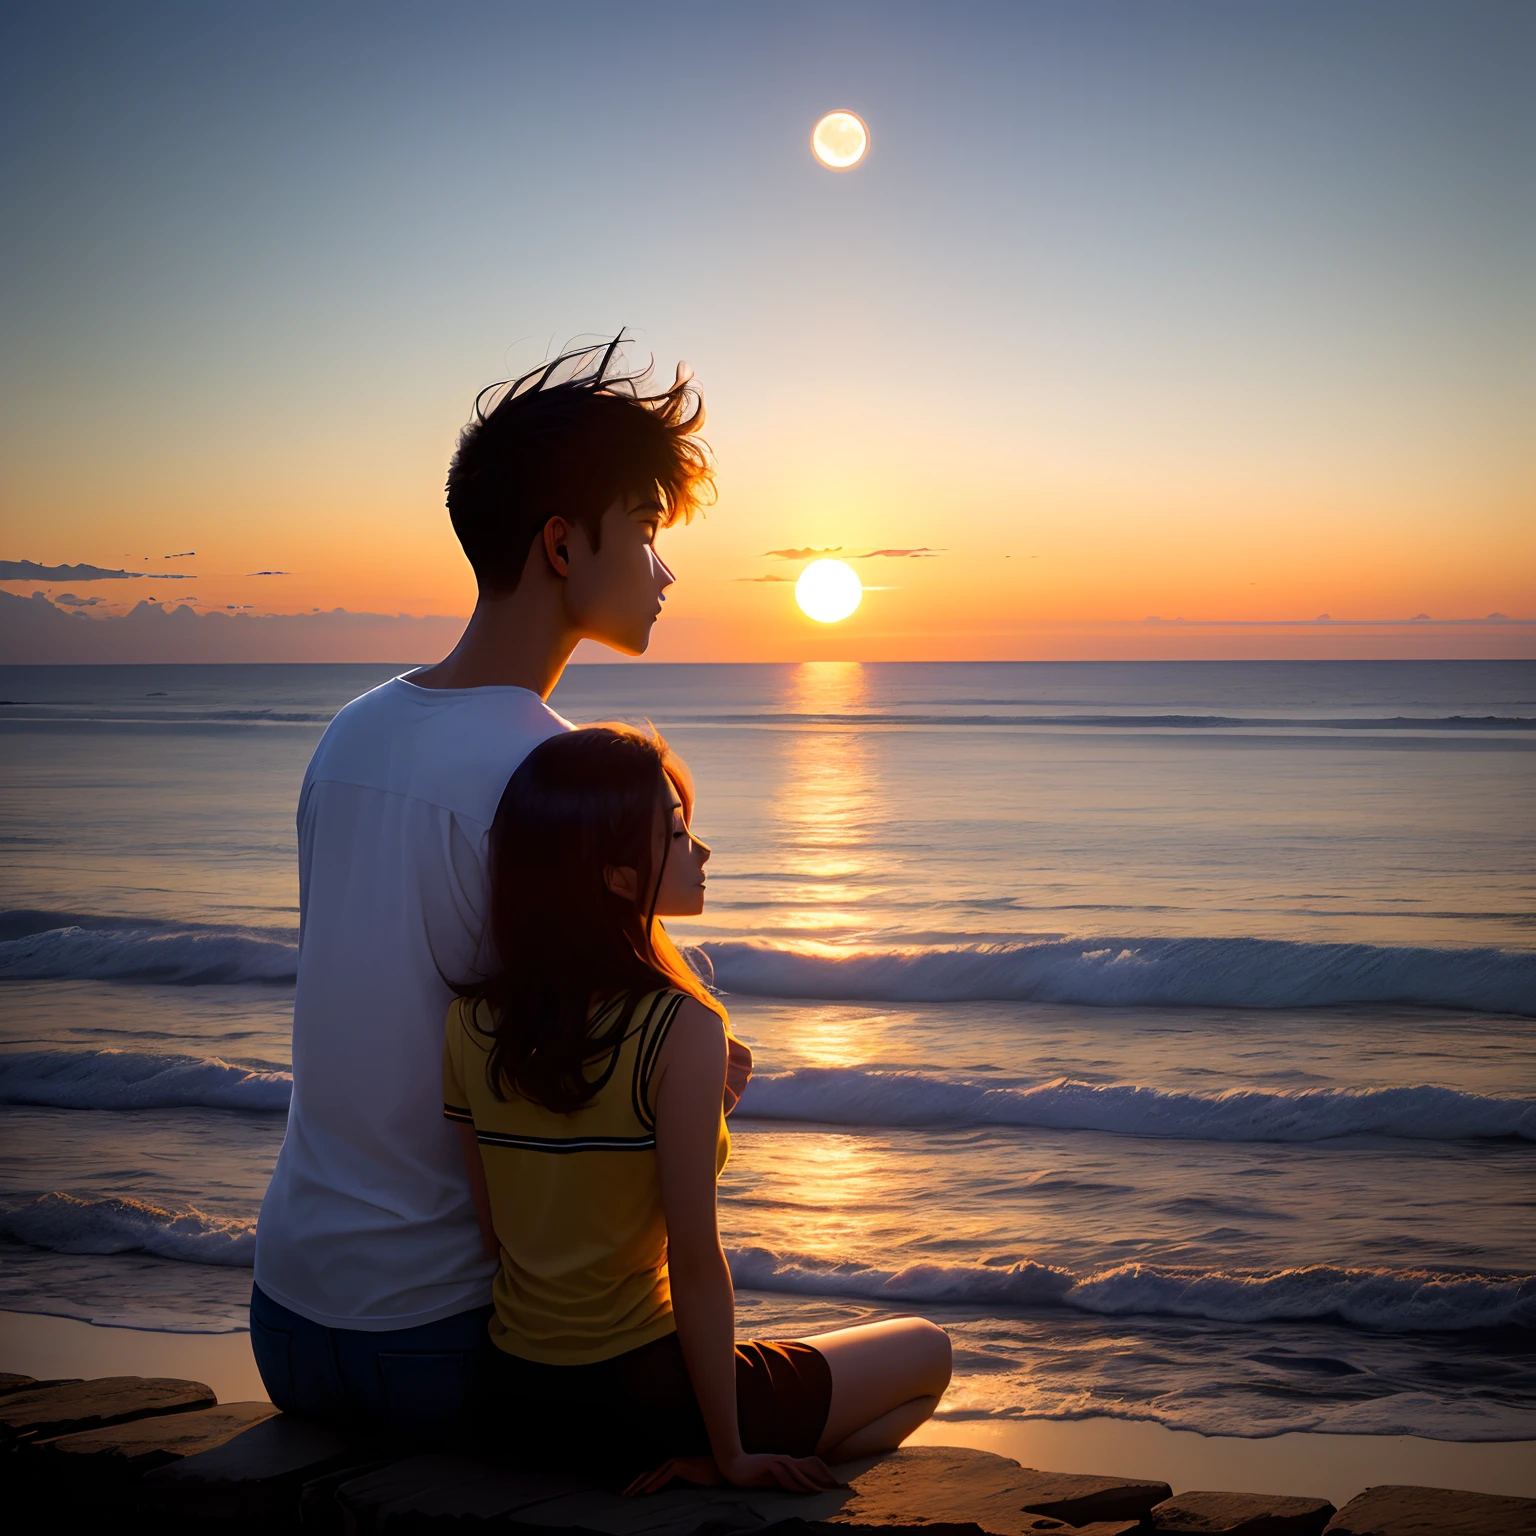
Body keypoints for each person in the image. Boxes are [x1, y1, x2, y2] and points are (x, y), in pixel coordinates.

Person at [251, 336, 735, 1440]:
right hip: (450, 1335)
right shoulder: (557, 781)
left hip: (288, 1318)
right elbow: (577, 1085)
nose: (665, 571)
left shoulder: (349, 733)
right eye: (649, 532)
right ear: (563, 545)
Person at [445, 724, 952, 1490]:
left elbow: (499, 1232)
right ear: (618, 877)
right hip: (645, 1398)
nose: (701, 851)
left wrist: (701, 1110)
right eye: (676, 834)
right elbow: (693, 1259)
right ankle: (717, 1467)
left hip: (516, 1397)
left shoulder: (473, 1024)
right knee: (926, 1352)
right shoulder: (680, 1024)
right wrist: (730, 1454)